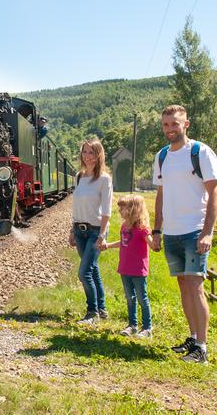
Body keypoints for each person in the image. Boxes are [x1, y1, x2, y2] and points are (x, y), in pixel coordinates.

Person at [152, 105, 217, 363]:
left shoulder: (200, 152)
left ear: (186, 124)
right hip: (171, 233)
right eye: (166, 125)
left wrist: (207, 232)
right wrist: (157, 230)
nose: (170, 129)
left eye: (175, 123)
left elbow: (214, 191)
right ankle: (193, 337)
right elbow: (161, 195)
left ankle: (202, 348)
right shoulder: (162, 156)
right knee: (183, 287)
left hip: (194, 231)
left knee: (196, 287)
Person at [69, 137, 113, 324]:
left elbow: (107, 210)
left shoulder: (104, 179)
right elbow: (77, 207)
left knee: (84, 272)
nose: (87, 156)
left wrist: (102, 236)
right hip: (80, 230)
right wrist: (72, 230)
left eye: (92, 152)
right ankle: (101, 309)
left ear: (99, 155)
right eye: (85, 152)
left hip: (96, 230)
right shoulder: (79, 177)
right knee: (93, 271)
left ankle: (92, 312)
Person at [100, 195, 156, 338]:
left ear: (132, 209)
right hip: (125, 268)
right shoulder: (124, 226)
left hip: (138, 270)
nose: (119, 210)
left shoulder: (142, 228)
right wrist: (108, 246)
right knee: (130, 298)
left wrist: (157, 241)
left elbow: (151, 243)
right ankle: (132, 325)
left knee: (142, 298)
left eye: (122, 208)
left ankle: (147, 328)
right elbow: (124, 242)